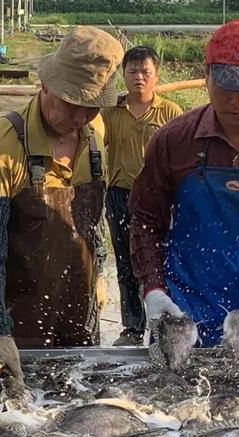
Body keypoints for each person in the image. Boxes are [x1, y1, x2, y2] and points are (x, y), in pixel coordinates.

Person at [0, 26, 124, 389]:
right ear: (47, 86)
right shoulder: (3, 147)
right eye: (73, 104)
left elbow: (91, 224)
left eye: (91, 108)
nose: (80, 118)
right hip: (13, 317)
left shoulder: (96, 132)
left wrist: (97, 275)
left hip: (77, 314)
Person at [130, 18, 239, 347]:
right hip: (186, 317)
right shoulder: (173, 141)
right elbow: (145, 221)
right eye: (228, 83)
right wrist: (154, 291)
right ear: (206, 75)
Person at [101, 46, 182, 346]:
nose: (139, 78)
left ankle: (162, 327)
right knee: (126, 262)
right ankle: (132, 328)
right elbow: (96, 144)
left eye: (145, 72)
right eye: (132, 71)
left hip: (158, 199)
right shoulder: (111, 112)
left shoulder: (170, 113)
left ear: (156, 76)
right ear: (123, 75)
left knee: (159, 262)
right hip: (120, 195)